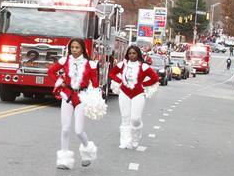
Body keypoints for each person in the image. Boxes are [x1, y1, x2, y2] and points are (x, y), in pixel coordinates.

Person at [48, 38, 99, 168]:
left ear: (82, 49)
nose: (74, 50)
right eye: (72, 47)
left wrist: (94, 95)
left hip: (82, 98)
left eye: (77, 47)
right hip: (67, 96)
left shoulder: (91, 64)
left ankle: (88, 151)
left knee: (78, 130)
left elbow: (96, 83)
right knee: (65, 129)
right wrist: (61, 81)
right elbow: (51, 71)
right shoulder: (65, 60)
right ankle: (63, 160)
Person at [109, 45, 159, 149]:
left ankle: (136, 138)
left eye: (134, 53)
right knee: (125, 118)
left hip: (138, 94)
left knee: (135, 119)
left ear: (138, 54)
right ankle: (125, 141)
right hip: (124, 93)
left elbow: (155, 78)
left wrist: (143, 85)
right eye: (130, 53)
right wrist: (119, 81)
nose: (132, 55)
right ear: (127, 54)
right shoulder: (122, 64)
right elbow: (112, 73)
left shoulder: (143, 66)